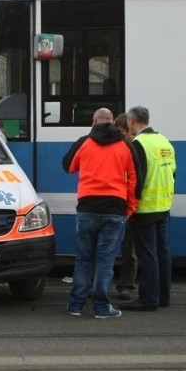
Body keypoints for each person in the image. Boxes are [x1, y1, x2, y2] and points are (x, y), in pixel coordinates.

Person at [62, 108, 141, 319]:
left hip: (87, 208)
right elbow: (135, 180)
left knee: (84, 259)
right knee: (105, 261)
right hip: (114, 210)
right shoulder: (125, 145)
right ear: (114, 121)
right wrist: (130, 208)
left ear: (94, 121)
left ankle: (75, 305)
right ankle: (101, 307)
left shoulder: (85, 142)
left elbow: (68, 166)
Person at [121, 106, 177, 312]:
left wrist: (130, 207)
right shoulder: (165, 142)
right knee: (163, 252)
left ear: (132, 121)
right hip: (164, 205)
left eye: (128, 121)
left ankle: (148, 299)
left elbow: (136, 179)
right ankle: (163, 296)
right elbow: (173, 173)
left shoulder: (138, 144)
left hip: (145, 208)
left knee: (147, 254)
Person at [113, 112, 139, 301]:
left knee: (121, 248)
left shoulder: (132, 146)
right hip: (124, 203)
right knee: (129, 249)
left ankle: (123, 285)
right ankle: (125, 286)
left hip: (120, 203)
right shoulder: (128, 146)